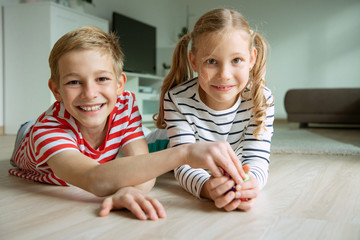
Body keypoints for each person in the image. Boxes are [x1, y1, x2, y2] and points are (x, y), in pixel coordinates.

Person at [9, 26, 247, 221]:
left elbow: (142, 168)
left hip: (91, 133)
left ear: (120, 84)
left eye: (102, 79)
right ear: (56, 90)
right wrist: (184, 152)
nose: (90, 93)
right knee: (36, 131)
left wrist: (128, 190)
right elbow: (93, 178)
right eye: (73, 82)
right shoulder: (46, 131)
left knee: (138, 148)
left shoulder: (124, 103)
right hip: (30, 135)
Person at [155, 8, 275, 212]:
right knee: (128, 158)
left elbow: (256, 159)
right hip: (161, 144)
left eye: (236, 60)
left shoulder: (260, 99)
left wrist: (249, 184)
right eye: (211, 61)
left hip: (214, 161)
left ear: (251, 59)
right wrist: (206, 188)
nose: (224, 75)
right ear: (194, 61)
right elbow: (181, 163)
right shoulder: (178, 99)